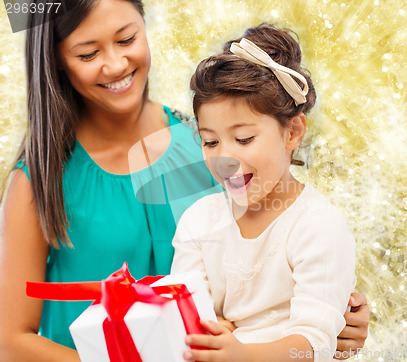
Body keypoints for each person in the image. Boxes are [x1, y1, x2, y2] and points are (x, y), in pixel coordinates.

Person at [0, 0, 368, 360]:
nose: (115, 64)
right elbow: (10, 342)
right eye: (87, 54)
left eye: (127, 39)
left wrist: (336, 319)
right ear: (57, 62)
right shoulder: (38, 181)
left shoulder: (207, 145)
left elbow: (280, 282)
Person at [170, 24, 362, 362]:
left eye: (244, 139)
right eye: (210, 141)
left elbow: (315, 344)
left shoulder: (317, 226)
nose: (226, 159)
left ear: (293, 131)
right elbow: (183, 320)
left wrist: (241, 353)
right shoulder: (199, 221)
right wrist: (210, 328)